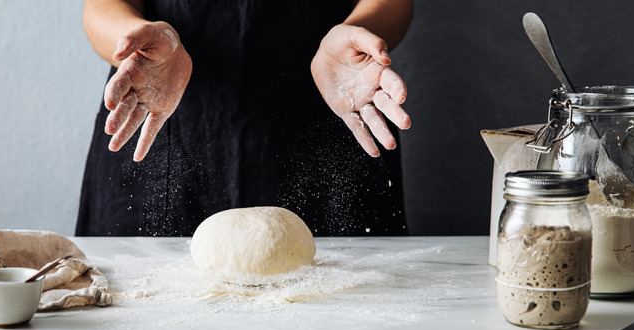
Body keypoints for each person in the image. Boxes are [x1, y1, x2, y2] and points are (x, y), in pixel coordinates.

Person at [76, 0, 413, 237]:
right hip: (164, 117)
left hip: (332, 107)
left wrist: (359, 32)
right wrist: (137, 39)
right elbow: (103, 5)